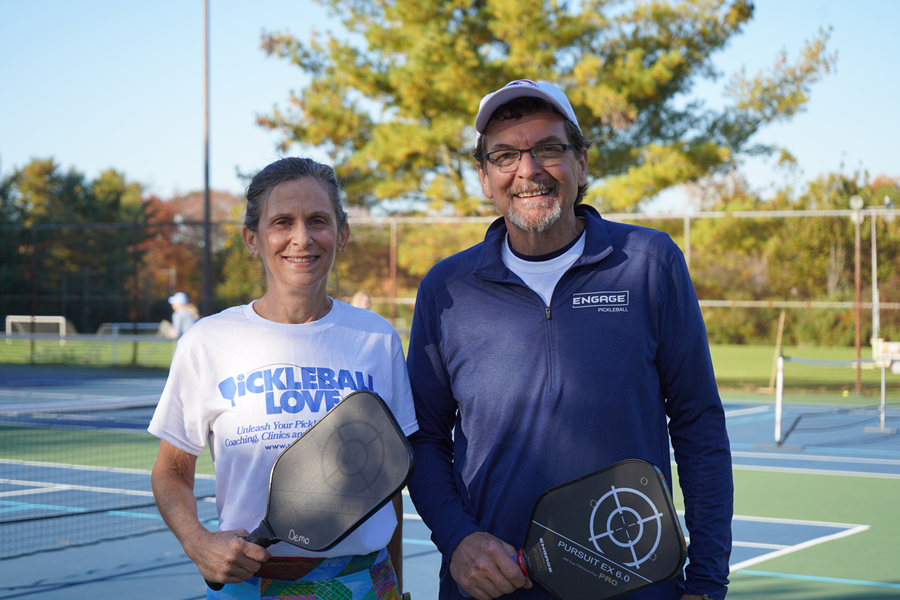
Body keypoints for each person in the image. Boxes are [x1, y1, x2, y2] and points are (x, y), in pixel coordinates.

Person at [406, 80, 733, 600]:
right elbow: (422, 438)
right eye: (505, 155)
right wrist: (458, 539)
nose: (528, 170)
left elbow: (698, 422)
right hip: (492, 587)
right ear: (484, 177)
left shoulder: (650, 263)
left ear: (581, 165)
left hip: (634, 583)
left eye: (549, 149)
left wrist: (708, 581)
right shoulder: (447, 288)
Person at [149, 157, 418, 599]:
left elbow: (387, 484)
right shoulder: (207, 341)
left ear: (342, 234)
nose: (301, 238)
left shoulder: (376, 338)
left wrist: (399, 586)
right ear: (252, 240)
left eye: (318, 220)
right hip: (251, 582)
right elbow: (170, 471)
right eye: (281, 222)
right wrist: (197, 542)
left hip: (367, 581)